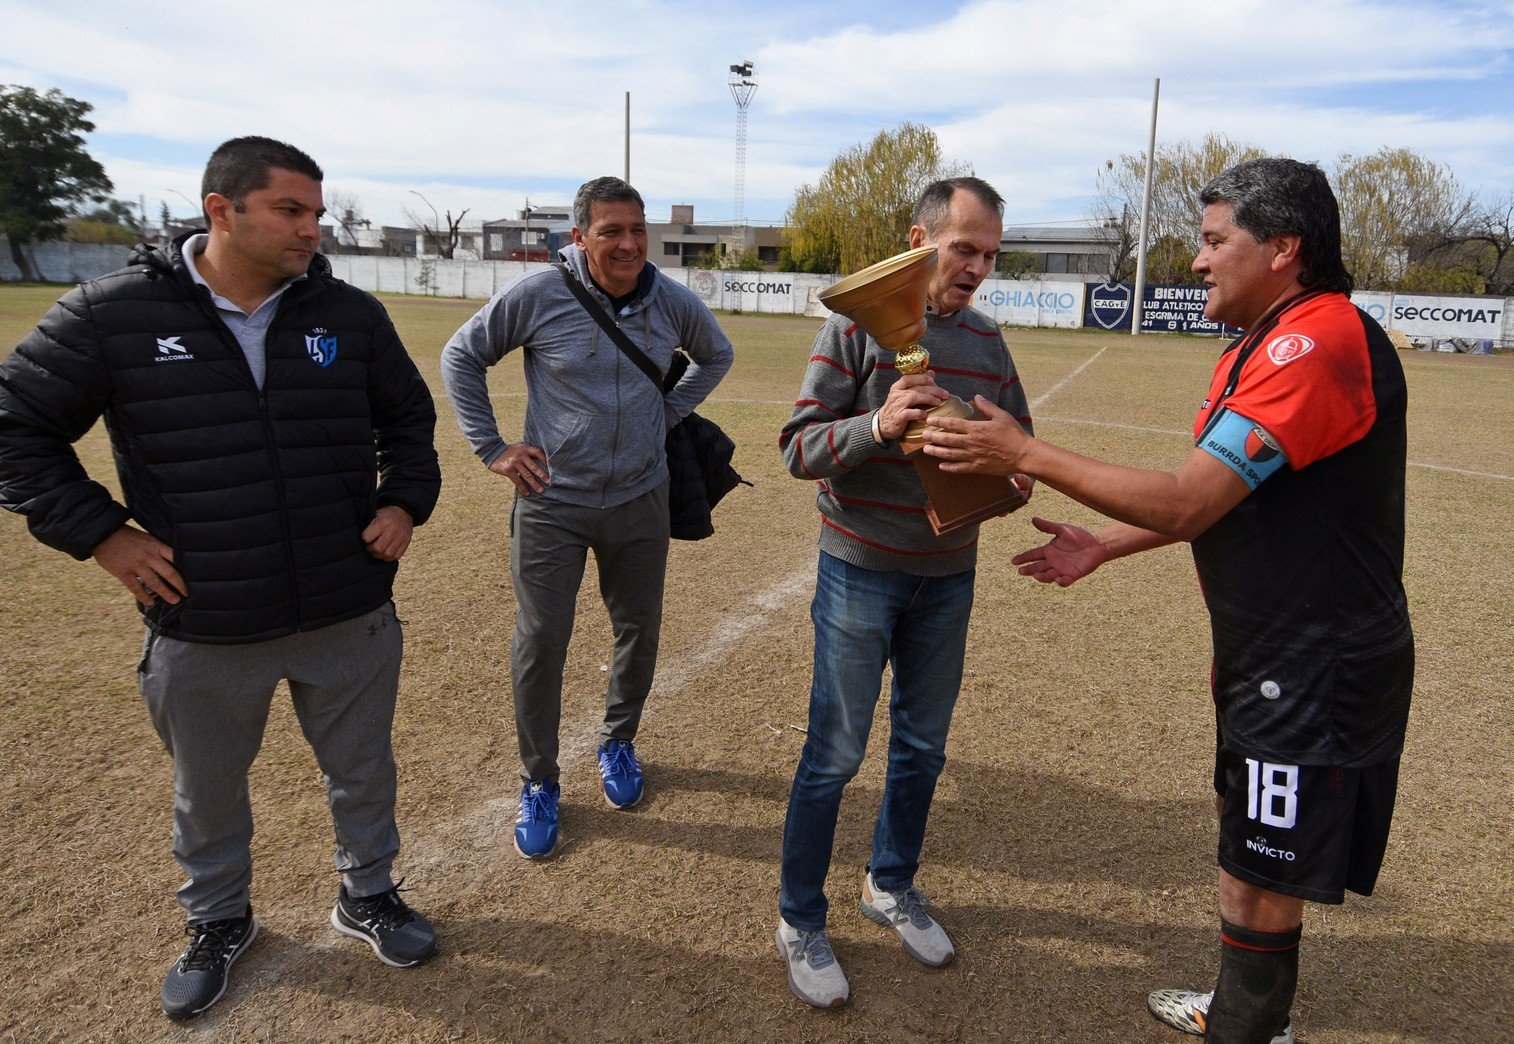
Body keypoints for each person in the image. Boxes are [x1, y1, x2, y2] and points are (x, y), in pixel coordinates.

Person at [923, 158, 1413, 1043]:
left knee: (1260, 872)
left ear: (1283, 249)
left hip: (1313, 667)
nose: (1196, 261)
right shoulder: (1262, 343)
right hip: (1269, 657)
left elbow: (1189, 499)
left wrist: (1022, 454)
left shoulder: (1316, 340)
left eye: (1214, 240)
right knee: (1244, 852)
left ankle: (1250, 1030)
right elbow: (1224, 499)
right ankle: (1245, 1013)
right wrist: (1101, 545)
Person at [0, 136, 442, 1020]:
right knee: (206, 791)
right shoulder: (108, 314)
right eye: (291, 210)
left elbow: (408, 420)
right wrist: (102, 536)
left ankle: (368, 895)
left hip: (345, 605)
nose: (312, 229)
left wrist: (404, 505)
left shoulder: (348, 316)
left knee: (362, 771)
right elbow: (15, 429)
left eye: (317, 212)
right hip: (204, 618)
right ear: (220, 209)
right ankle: (217, 920)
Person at [774, 177, 1034, 1007]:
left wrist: (1009, 475)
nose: (978, 269)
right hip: (858, 570)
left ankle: (888, 886)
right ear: (920, 239)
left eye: (989, 254)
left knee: (921, 749)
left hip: (948, 578)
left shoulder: (989, 344)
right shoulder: (850, 330)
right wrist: (877, 427)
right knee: (835, 756)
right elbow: (795, 449)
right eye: (965, 249)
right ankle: (799, 919)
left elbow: (1020, 448)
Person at [440, 176, 733, 860]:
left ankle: (619, 742)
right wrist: (492, 448)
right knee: (541, 640)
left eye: (637, 230)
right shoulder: (539, 295)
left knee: (638, 627)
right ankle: (538, 780)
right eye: (611, 231)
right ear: (579, 238)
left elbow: (716, 355)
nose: (628, 244)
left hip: (640, 497)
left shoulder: (671, 301)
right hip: (553, 503)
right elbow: (462, 355)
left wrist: (665, 412)